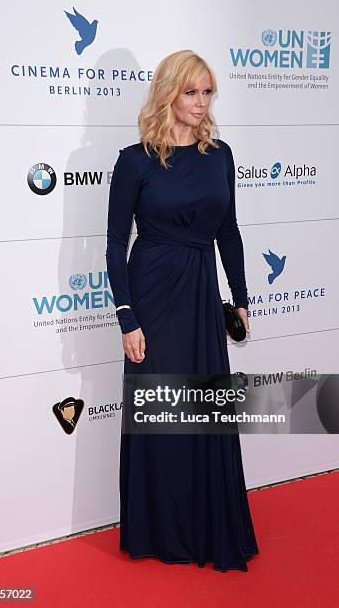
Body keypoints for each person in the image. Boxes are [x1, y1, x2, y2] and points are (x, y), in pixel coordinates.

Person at [106, 50, 259, 572]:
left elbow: (229, 231)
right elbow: (113, 243)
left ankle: (204, 523)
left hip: (199, 291)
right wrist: (127, 318)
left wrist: (239, 299)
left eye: (208, 92)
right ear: (168, 93)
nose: (201, 102)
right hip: (151, 292)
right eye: (191, 92)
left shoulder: (220, 155)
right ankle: (159, 528)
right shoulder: (134, 160)